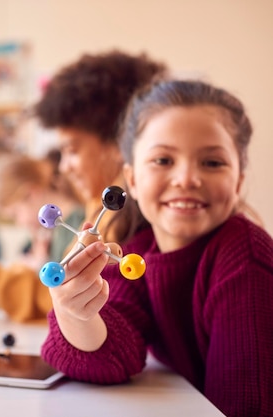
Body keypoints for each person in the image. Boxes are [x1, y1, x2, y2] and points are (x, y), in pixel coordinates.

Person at [41, 79, 273, 417]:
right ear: (131, 180)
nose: (186, 179)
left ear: (238, 180)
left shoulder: (244, 258)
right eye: (163, 160)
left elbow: (246, 406)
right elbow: (116, 358)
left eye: (212, 163)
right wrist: (75, 313)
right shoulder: (138, 253)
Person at [0, 50, 167, 322]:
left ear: (117, 143)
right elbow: (56, 291)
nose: (64, 166)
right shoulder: (101, 207)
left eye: (72, 150)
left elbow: (59, 302)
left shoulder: (124, 219)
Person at [0, 150, 83, 269]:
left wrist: (40, 264)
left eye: (16, 214)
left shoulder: (74, 227)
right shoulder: (52, 231)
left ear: (32, 194)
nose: (20, 223)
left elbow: (61, 282)